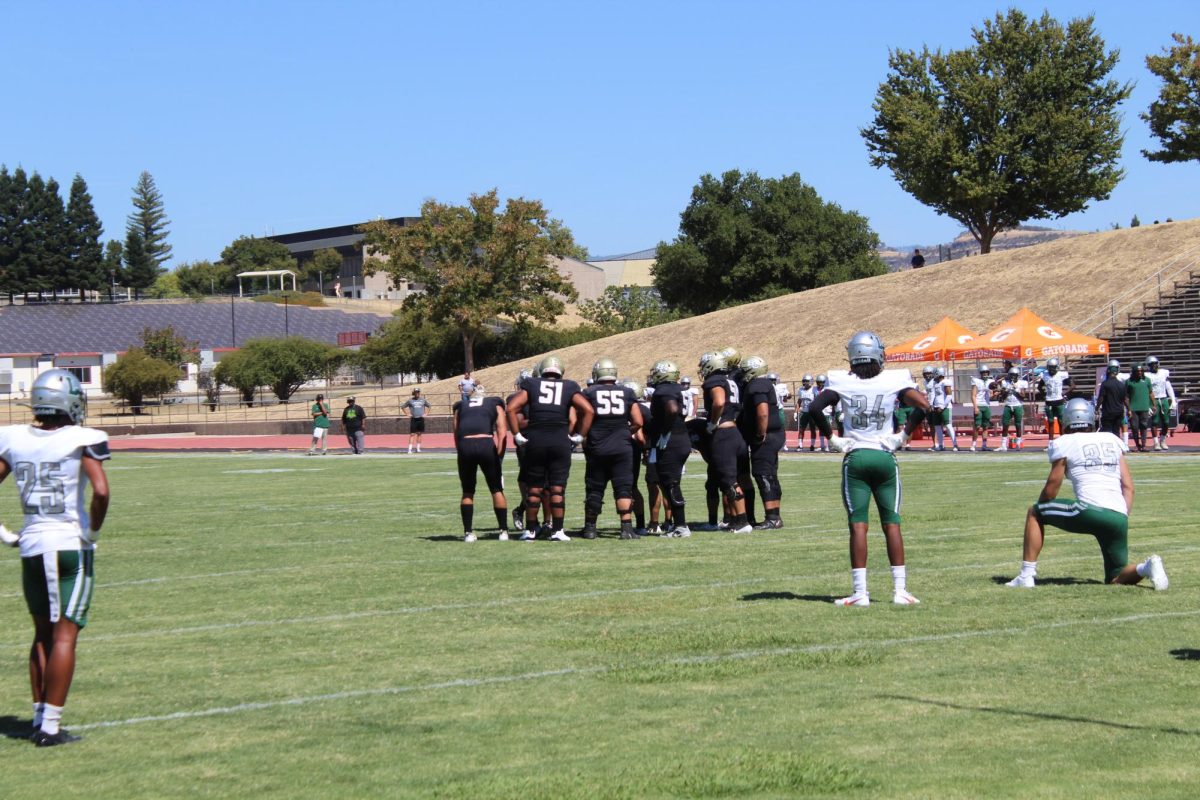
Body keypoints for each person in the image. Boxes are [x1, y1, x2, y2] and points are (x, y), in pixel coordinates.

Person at [0, 369, 111, 746]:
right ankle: (50, 728)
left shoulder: (13, 437)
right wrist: (92, 532)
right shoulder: (85, 437)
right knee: (65, 635)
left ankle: (38, 717)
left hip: (31, 545)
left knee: (42, 635)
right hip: (67, 544)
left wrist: (3, 533)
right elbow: (100, 491)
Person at [809, 332, 930, 607]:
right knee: (892, 523)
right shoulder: (894, 379)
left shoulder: (841, 380)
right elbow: (923, 405)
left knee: (858, 526)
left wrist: (831, 438)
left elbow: (815, 407)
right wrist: (903, 435)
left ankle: (860, 593)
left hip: (856, 457)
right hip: (885, 456)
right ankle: (900, 591)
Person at [1005, 398, 1168, 591]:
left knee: (1034, 512)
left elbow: (1053, 486)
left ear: (1067, 419)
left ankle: (1026, 575)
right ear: (1091, 418)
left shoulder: (1064, 442)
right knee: (1116, 577)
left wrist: (1043, 511)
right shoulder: (1111, 439)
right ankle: (1147, 567)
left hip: (1088, 510)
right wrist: (1122, 515)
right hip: (1118, 515)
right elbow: (1128, 487)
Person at [506, 355, 594, 541]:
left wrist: (516, 434)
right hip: (559, 441)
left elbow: (512, 408)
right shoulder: (569, 386)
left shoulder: (531, 384)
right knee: (557, 489)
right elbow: (588, 410)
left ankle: (530, 531)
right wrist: (580, 435)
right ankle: (558, 530)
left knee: (534, 489)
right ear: (560, 370)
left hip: (536, 441)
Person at [579, 358, 644, 540]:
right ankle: (626, 529)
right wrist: (624, 432)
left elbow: (580, 416)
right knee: (623, 488)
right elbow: (638, 421)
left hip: (597, 446)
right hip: (622, 448)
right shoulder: (627, 392)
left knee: (594, 488)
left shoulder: (589, 392)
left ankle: (590, 528)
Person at [699, 351, 752, 534]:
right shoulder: (730, 380)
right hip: (735, 432)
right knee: (732, 478)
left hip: (724, 435)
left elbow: (719, 402)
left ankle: (742, 521)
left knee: (729, 480)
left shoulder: (715, 381)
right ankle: (736, 520)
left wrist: (713, 423)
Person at [453, 384, 510, 542]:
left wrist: (462, 451)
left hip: (465, 444)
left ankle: (468, 533)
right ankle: (503, 531)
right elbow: (502, 431)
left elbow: (456, 432)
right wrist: (499, 456)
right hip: (485, 443)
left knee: (467, 491)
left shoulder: (460, 405)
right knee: (496, 488)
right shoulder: (494, 403)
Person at [647, 360, 693, 537]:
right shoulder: (678, 389)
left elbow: (672, 410)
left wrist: (665, 431)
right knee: (669, 482)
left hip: (671, 441)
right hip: (681, 438)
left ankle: (681, 526)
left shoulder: (664, 390)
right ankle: (677, 524)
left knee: (671, 483)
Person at [740, 356, 785, 529]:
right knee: (769, 474)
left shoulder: (757, 385)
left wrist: (760, 433)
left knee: (763, 474)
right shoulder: (764, 384)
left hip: (767, 436)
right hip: (773, 434)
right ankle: (774, 516)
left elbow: (763, 412)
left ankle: (773, 518)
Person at [1145, 355, 1177, 450]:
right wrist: (1147, 405)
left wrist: (1173, 400)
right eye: (1152, 364)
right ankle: (1156, 443)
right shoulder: (1147, 375)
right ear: (1148, 366)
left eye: (1155, 364)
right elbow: (1145, 391)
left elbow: (1168, 387)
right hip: (1153, 400)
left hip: (1163, 399)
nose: (1154, 366)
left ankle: (1162, 440)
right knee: (1154, 422)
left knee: (1166, 422)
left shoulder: (1163, 373)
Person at [1038, 358, 1071, 442]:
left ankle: (1063, 441)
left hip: (1059, 401)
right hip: (1049, 401)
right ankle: (1051, 442)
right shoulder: (1044, 375)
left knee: (1061, 422)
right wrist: (1044, 395)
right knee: (1051, 422)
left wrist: (1064, 393)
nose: (1051, 369)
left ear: (1057, 367)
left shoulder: (1061, 375)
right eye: (1050, 367)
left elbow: (1073, 385)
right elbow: (1039, 387)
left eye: (1053, 367)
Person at [997, 367, 1027, 450]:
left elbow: (1023, 397)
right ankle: (1003, 444)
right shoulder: (1005, 383)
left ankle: (1018, 442)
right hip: (1008, 405)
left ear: (1017, 375)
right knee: (1005, 424)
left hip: (1018, 405)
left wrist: (1015, 391)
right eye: (1011, 375)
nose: (1013, 377)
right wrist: (1006, 391)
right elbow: (1002, 397)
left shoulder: (1022, 383)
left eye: (1014, 375)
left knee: (1018, 425)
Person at [1125, 364, 1153, 452]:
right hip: (1133, 408)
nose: (1140, 372)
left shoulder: (1147, 380)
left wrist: (1154, 404)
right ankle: (1137, 445)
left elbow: (1151, 393)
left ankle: (1144, 445)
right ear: (1134, 372)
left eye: (1141, 371)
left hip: (1144, 407)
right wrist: (1128, 409)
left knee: (1144, 426)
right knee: (1134, 427)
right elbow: (1126, 397)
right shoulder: (1129, 382)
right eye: (1138, 371)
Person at [1095, 359, 1126, 437]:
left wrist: (1097, 408)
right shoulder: (1121, 384)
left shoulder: (1105, 384)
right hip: (1119, 411)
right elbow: (1125, 399)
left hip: (1108, 411)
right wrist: (1128, 409)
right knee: (1116, 431)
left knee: (1107, 432)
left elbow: (1101, 397)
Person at [929, 367, 958, 451]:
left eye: (935, 374)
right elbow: (933, 395)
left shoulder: (945, 382)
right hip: (936, 407)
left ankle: (955, 445)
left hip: (945, 407)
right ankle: (941, 445)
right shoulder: (935, 383)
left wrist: (942, 407)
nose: (933, 376)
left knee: (948, 426)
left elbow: (949, 395)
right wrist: (931, 405)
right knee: (937, 427)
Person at [970, 365, 994, 451]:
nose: (985, 374)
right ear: (980, 373)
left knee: (986, 426)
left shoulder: (990, 381)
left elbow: (991, 395)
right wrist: (975, 407)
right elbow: (973, 395)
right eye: (983, 372)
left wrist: (995, 393)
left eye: (986, 372)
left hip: (986, 405)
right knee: (977, 426)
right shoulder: (976, 381)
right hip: (979, 405)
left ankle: (984, 445)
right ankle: (973, 444)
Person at [400, 388, 432, 454]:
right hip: (414, 419)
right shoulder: (410, 400)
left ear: (419, 393)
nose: (417, 393)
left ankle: (418, 448)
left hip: (421, 419)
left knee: (419, 434)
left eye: (418, 392)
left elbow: (429, 406)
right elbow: (403, 407)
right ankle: (409, 449)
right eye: (416, 392)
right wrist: (407, 414)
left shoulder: (423, 400)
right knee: (412, 434)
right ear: (414, 393)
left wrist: (426, 413)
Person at [795, 374, 818, 451]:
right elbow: (799, 401)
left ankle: (812, 445)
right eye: (804, 381)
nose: (804, 382)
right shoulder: (801, 390)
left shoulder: (814, 390)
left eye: (806, 381)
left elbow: (818, 401)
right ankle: (800, 445)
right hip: (804, 412)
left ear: (811, 381)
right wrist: (796, 411)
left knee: (812, 429)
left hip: (812, 413)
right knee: (801, 429)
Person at [770, 374, 791, 450]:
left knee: (782, 427)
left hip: (779, 409)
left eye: (773, 380)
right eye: (770, 380)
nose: (772, 382)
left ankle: (784, 444)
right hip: (770, 410)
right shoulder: (767, 388)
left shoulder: (780, 387)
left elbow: (788, 397)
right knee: (770, 428)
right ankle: (771, 443)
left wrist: (785, 395)